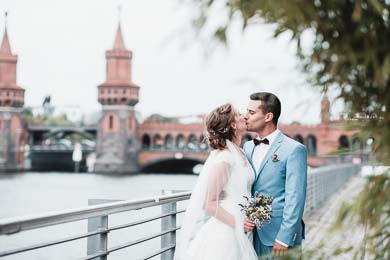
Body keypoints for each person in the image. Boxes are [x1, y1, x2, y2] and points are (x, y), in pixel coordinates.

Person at [174, 103, 258, 260]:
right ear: (233, 125)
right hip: (227, 231)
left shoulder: (241, 152)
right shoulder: (225, 158)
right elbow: (209, 203)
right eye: (239, 114)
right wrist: (238, 224)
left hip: (243, 227)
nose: (244, 116)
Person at [243, 92, 307, 259]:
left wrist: (285, 238)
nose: (245, 116)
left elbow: (295, 197)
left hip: (278, 236)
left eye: (251, 112)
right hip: (250, 234)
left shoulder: (294, 149)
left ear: (268, 116)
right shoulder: (248, 147)